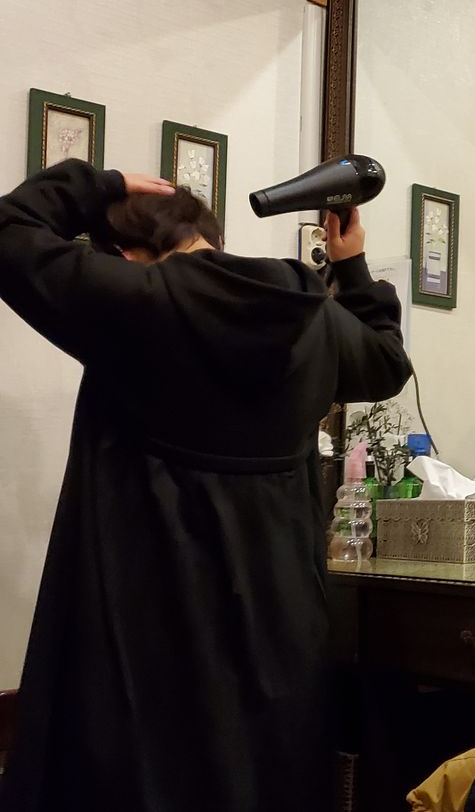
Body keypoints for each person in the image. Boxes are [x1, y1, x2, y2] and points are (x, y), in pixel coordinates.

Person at [0, 159, 412, 812]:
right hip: (277, 637)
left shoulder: (131, 303)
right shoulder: (312, 317)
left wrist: (101, 186)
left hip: (142, 642)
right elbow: (387, 363)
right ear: (212, 239)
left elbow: (9, 229)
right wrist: (352, 266)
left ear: (125, 255)